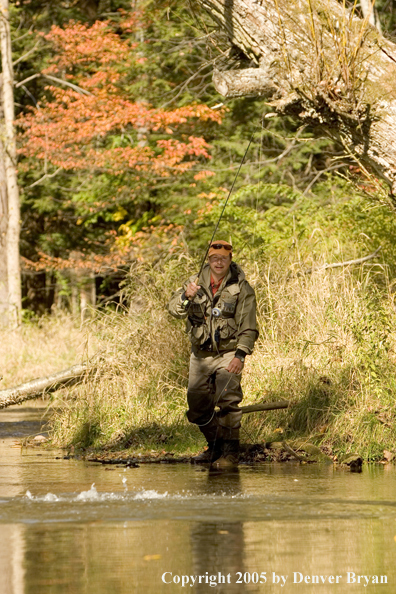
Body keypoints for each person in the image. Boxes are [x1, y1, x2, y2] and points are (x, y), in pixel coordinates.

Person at [167, 240, 258, 468]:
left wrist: (240, 355)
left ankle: (230, 453)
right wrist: (185, 297)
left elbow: (249, 326)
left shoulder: (242, 287)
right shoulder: (193, 282)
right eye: (214, 258)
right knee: (197, 406)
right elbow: (173, 310)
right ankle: (215, 446)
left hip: (228, 353)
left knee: (228, 400)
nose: (219, 262)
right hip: (200, 354)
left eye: (223, 259)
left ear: (230, 260)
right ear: (209, 260)